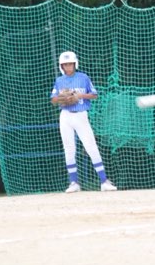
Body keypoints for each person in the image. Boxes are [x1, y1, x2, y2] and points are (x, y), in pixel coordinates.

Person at [50, 51, 117, 193]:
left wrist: (80, 95)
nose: (68, 67)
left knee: (91, 146)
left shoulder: (83, 77)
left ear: (75, 64)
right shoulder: (59, 80)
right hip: (65, 116)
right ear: (61, 66)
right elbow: (53, 99)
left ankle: (104, 181)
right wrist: (61, 97)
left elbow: (94, 95)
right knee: (69, 148)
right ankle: (73, 183)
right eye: (65, 64)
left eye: (70, 64)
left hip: (81, 115)